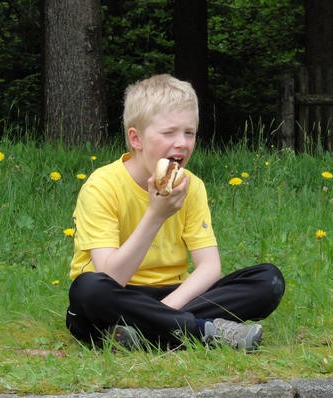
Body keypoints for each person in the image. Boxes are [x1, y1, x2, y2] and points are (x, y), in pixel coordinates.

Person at [66, 74, 284, 351]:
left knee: (268, 280)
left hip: (174, 294)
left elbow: (209, 267)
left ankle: (143, 331)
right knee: (88, 289)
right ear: (136, 139)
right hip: (115, 296)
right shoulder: (102, 186)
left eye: (189, 133)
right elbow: (111, 277)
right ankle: (200, 330)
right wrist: (156, 215)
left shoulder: (192, 186)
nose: (181, 143)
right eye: (169, 133)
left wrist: (165, 311)